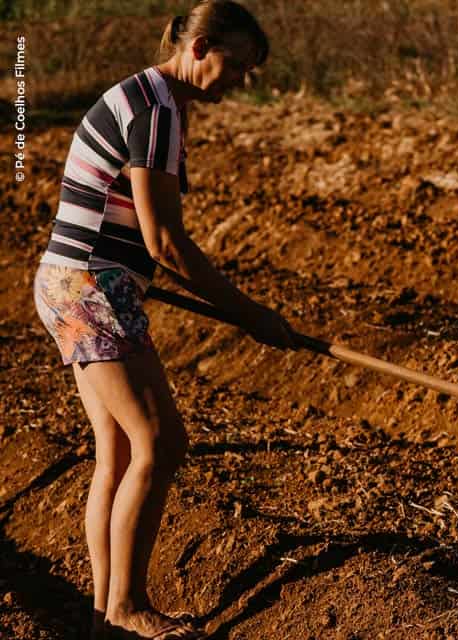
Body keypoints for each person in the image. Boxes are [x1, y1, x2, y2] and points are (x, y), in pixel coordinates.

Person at [32, 2, 293, 638]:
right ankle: (127, 606)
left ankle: (105, 615)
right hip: (92, 288)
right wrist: (251, 313)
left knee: (118, 453)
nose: (242, 80)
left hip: (69, 283)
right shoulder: (157, 111)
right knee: (162, 442)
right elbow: (164, 242)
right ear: (200, 47)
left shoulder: (147, 98)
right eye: (237, 64)